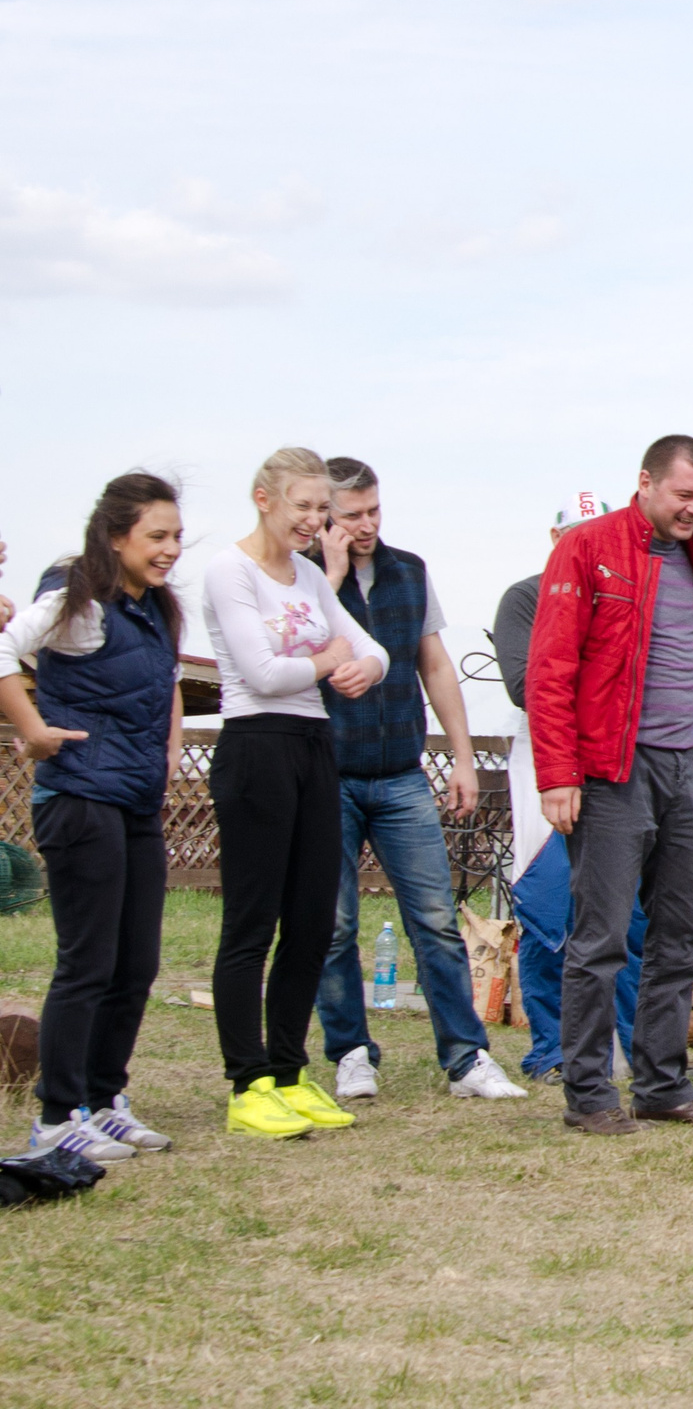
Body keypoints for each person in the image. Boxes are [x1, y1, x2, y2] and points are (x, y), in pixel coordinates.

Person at [526, 436, 693, 1135]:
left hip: (681, 766)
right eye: (684, 496)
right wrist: (558, 774)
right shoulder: (587, 548)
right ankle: (589, 1095)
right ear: (645, 482)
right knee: (601, 937)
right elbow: (550, 666)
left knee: (682, 933)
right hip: (611, 768)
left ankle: (662, 1087)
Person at [310, 458, 526, 1104]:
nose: (367, 524)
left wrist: (461, 757)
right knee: (335, 925)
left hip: (401, 773)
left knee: (433, 918)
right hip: (328, 775)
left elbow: (435, 667)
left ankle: (466, 1060)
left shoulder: (410, 571)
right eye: (352, 516)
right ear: (325, 517)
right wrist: (331, 579)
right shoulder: (305, 579)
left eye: (374, 511)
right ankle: (351, 1054)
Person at [0, 475, 188, 1162]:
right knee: (88, 962)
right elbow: (2, 648)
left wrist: (166, 760)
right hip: (79, 800)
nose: (170, 549)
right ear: (117, 538)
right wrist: (33, 728)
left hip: (134, 804)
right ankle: (57, 1115)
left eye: (175, 536)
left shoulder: (155, 609)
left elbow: (163, 690)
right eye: (156, 537)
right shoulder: (79, 604)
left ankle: (106, 1102)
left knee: (136, 962)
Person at [203, 447, 389, 1138]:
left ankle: (287, 1069)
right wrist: (329, 660)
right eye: (302, 506)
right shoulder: (231, 570)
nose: (315, 520)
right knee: (251, 923)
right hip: (256, 746)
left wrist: (362, 665)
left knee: (314, 920)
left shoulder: (310, 575)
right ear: (264, 499)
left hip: (315, 746)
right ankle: (245, 1081)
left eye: (321, 508)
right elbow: (260, 671)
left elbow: (374, 649)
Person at [490, 498, 646, 1085]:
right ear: (557, 534)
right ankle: (551, 1049)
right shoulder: (527, 596)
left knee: (629, 911)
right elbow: (523, 684)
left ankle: (640, 1044)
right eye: (575, 533)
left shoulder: (625, 592)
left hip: (613, 756)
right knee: (550, 906)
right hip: (546, 758)